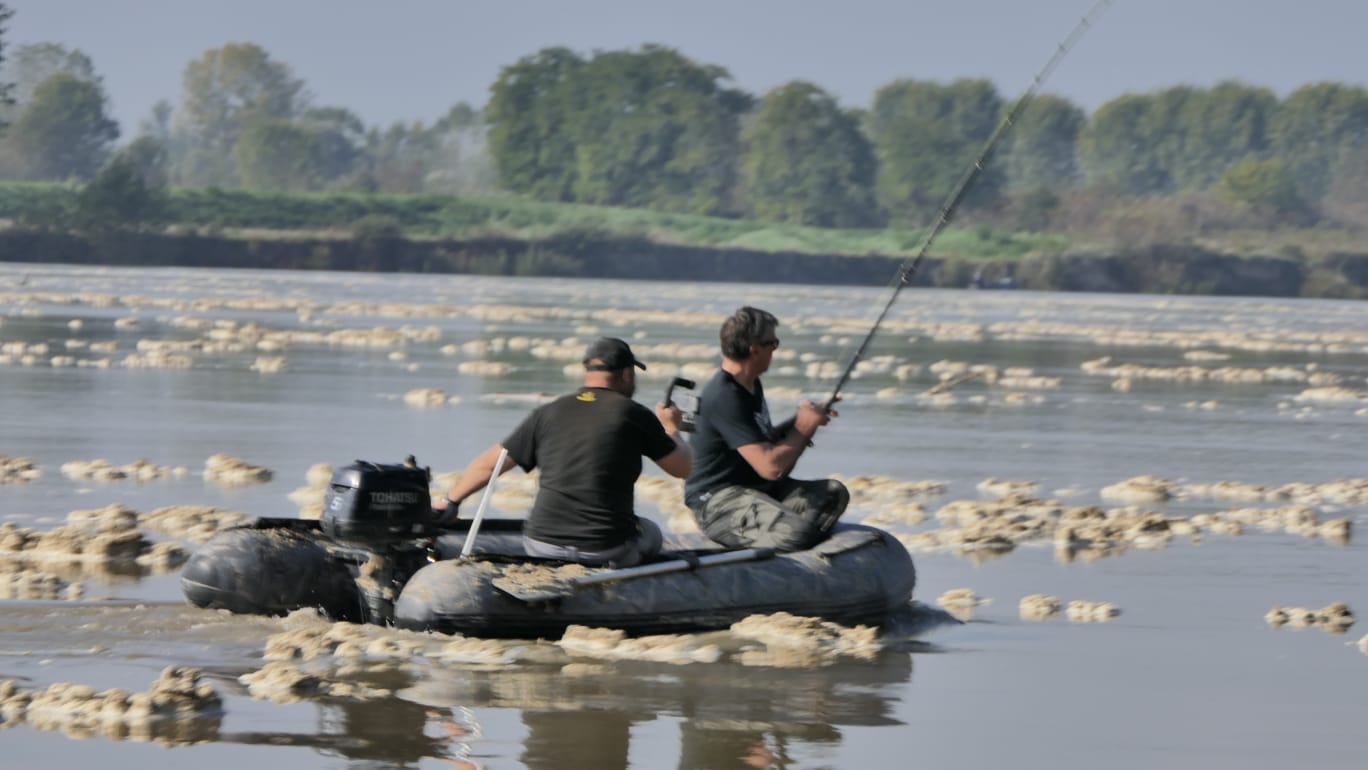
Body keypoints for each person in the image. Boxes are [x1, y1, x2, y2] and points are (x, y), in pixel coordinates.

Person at [437, 337, 691, 567]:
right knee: (651, 532)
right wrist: (672, 428)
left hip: (541, 545)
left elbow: (489, 465)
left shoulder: (548, 412)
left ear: (587, 371)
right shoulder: (634, 414)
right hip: (604, 548)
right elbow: (683, 468)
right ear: (626, 373)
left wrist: (450, 502)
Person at [684, 307, 849, 552]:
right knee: (797, 532)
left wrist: (802, 421)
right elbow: (770, 467)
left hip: (755, 490)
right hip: (718, 502)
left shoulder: (750, 384)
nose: (775, 350)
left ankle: (781, 534)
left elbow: (764, 445)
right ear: (754, 349)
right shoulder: (725, 396)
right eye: (773, 343)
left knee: (833, 493)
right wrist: (804, 427)